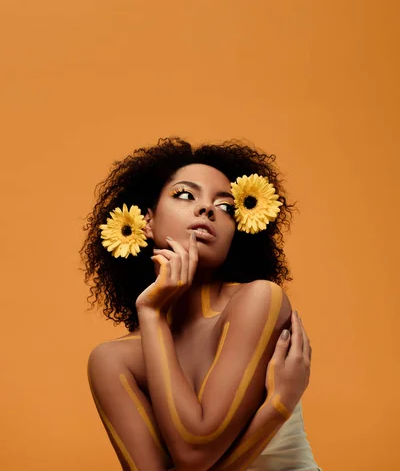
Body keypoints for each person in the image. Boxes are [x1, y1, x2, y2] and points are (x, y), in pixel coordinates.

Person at [81, 137, 321, 471]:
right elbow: (194, 459)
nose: (207, 209)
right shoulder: (113, 361)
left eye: (225, 207)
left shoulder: (258, 300)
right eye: (185, 195)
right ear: (146, 221)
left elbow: (195, 453)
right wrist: (277, 407)